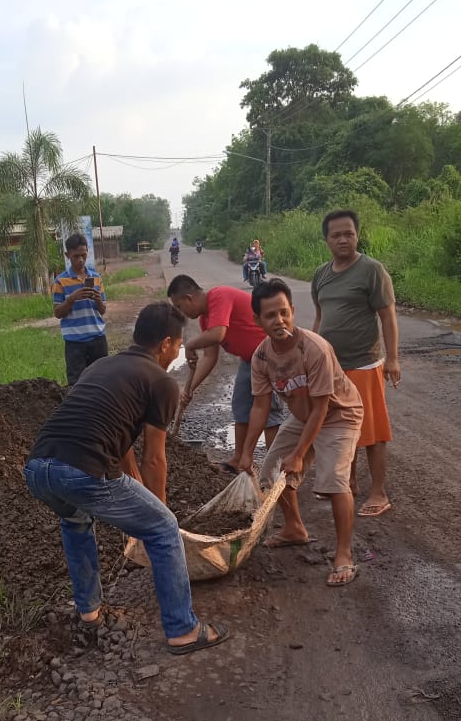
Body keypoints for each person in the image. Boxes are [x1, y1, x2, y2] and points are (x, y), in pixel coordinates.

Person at [23, 302, 228, 656]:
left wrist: (135, 498)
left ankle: (88, 613)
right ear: (165, 343)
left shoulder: (104, 365)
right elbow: (153, 457)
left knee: (75, 521)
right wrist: (157, 512)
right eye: (179, 344)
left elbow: (117, 436)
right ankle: (182, 629)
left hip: (39, 467)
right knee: (164, 528)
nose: (178, 351)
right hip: (82, 469)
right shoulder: (162, 381)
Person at [238, 278, 364, 587]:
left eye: (283, 312)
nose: (278, 320)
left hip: (339, 414)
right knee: (269, 474)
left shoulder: (314, 349)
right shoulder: (261, 357)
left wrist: (298, 456)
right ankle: (295, 528)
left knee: (334, 479)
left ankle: (344, 554)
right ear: (257, 320)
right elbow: (259, 408)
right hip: (302, 415)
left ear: (293, 311)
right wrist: (245, 453)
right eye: (270, 315)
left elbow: (322, 408)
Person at [312, 209, 400, 518]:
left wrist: (392, 358)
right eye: (336, 235)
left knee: (372, 431)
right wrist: (312, 353)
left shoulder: (372, 270)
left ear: (357, 235)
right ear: (327, 240)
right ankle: (347, 481)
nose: (343, 239)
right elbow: (320, 317)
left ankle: (379, 491)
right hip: (332, 367)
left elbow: (387, 316)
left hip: (364, 364)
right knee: (338, 426)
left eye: (348, 233)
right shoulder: (321, 274)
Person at [167, 275, 283, 474]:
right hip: (250, 360)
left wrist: (192, 344)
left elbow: (218, 333)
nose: (182, 312)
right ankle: (239, 459)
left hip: (270, 355)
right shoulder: (205, 320)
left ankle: (276, 466)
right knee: (241, 406)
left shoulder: (218, 296)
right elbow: (209, 358)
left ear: (189, 298)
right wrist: (190, 389)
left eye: (179, 306)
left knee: (269, 414)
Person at [53, 233, 108, 387]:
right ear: (67, 255)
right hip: (74, 342)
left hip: (97, 339)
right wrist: (71, 299)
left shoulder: (96, 278)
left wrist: (97, 299)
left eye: (83, 255)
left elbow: (102, 310)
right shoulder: (60, 281)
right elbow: (57, 313)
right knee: (76, 385)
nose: (80, 260)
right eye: (76, 256)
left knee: (101, 382)